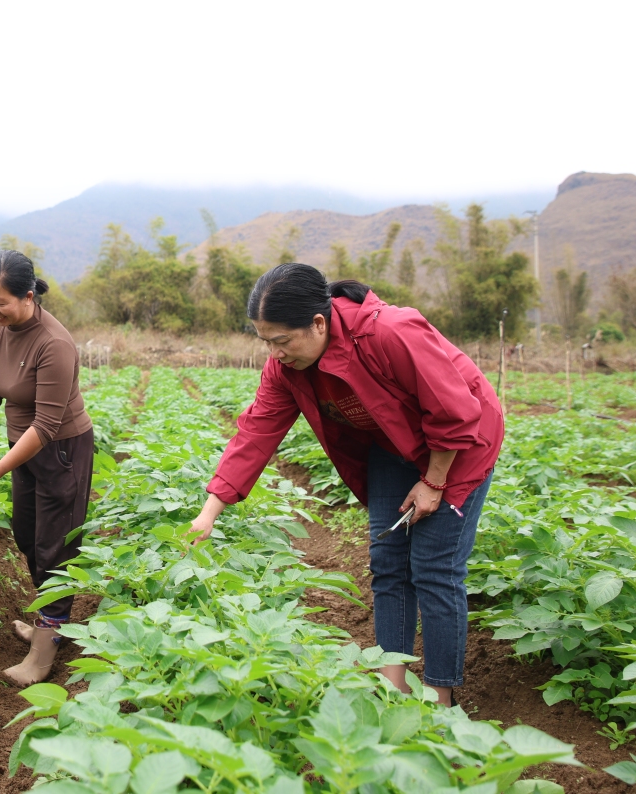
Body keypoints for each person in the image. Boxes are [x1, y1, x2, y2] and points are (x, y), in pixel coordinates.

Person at [190, 264, 501, 706]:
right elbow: (256, 432)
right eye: (266, 342)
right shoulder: (287, 368)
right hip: (391, 446)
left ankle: (439, 697)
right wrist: (208, 514)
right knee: (388, 563)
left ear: (319, 323)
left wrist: (434, 482)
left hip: (459, 444)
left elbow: (455, 412)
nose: (275, 353)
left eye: (282, 341)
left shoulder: (390, 333)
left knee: (434, 567)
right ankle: (391, 685)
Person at [0, 250, 94, 687]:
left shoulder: (54, 343)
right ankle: (51, 620)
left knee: (55, 546)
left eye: (0, 302)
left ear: (29, 296)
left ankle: (46, 645)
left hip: (60, 449)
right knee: (26, 533)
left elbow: (48, 424)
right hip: (24, 448)